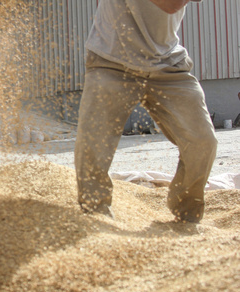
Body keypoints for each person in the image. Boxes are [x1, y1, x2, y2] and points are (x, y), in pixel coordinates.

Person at [75, 0, 217, 223]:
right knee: (93, 141)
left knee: (202, 141)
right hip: (111, 61)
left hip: (167, 64)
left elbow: (171, 5)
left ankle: (186, 212)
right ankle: (95, 213)